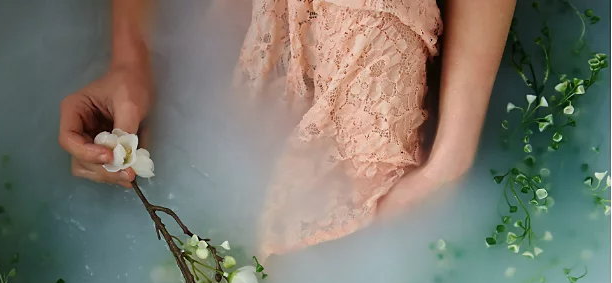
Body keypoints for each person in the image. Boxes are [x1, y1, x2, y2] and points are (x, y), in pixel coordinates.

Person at [59, 0, 516, 257]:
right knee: (208, 151)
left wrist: (451, 159)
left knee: (353, 208)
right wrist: (129, 60)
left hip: (367, 20)